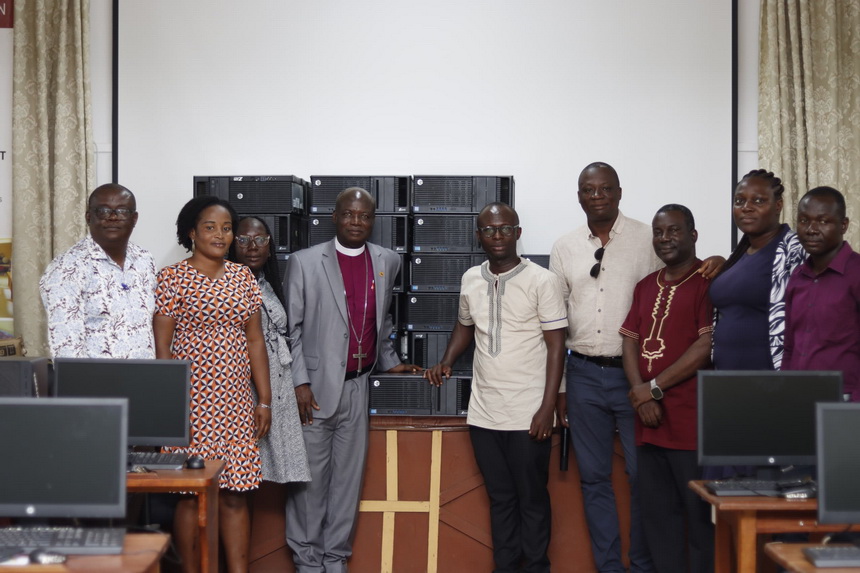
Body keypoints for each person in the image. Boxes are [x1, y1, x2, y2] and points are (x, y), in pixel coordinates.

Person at [284, 187, 421, 573]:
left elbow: (384, 320)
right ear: (335, 217)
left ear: (372, 220)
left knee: (348, 479)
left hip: (359, 385)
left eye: (364, 216)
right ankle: (308, 562)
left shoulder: (387, 260)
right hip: (313, 390)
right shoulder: (305, 262)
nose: (356, 222)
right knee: (310, 483)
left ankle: (335, 558)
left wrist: (390, 362)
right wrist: (299, 381)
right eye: (349, 214)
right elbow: (290, 330)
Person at [425, 202, 567, 573]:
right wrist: (447, 360)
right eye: (489, 230)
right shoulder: (472, 277)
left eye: (505, 228)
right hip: (484, 412)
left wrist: (546, 409)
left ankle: (536, 567)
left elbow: (557, 347)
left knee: (532, 499)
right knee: (500, 498)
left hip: (528, 412)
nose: (498, 235)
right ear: (479, 236)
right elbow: (464, 326)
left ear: (518, 232)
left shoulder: (542, 280)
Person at [549, 162, 659, 573]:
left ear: (618, 192)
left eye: (605, 189)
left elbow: (668, 293)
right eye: (588, 189)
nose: (597, 196)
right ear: (579, 196)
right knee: (594, 479)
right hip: (581, 376)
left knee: (640, 475)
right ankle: (609, 567)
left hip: (634, 377)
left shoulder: (649, 236)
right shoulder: (564, 247)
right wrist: (559, 386)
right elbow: (556, 321)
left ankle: (643, 564)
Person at [153, 196, 272, 573]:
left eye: (225, 228)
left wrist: (264, 399)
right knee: (191, 495)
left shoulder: (242, 277)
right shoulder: (172, 278)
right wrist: (171, 403)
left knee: (236, 494)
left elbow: (255, 340)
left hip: (236, 403)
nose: (220, 235)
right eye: (209, 227)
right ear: (191, 232)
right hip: (190, 402)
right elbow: (162, 346)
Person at [620, 204, 715, 573]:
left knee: (699, 519)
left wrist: (653, 388)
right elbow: (629, 341)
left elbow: (706, 347)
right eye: (659, 233)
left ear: (693, 235)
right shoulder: (646, 285)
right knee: (659, 519)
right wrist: (639, 391)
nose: (665, 239)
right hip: (649, 425)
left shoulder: (708, 282)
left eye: (674, 231)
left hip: (690, 425)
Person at [229, 216, 311, 483]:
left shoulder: (269, 283)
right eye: (244, 240)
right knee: (250, 472)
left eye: (260, 240)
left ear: (269, 246)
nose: (252, 246)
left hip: (280, 386)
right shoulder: (228, 286)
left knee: (278, 475)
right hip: (247, 388)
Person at [40, 183, 156, 358]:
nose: (112, 217)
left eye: (122, 211)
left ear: (134, 219)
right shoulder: (66, 268)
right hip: (97, 382)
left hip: (144, 380)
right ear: (88, 217)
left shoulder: (145, 261)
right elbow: (66, 349)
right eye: (103, 211)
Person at [709, 169, 805, 371]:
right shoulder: (738, 255)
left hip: (773, 381)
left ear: (778, 205)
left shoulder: (796, 249)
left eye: (758, 201)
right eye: (739, 201)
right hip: (725, 381)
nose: (746, 208)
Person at [783, 187, 860, 401]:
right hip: (797, 397)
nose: (811, 229)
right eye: (804, 220)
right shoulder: (797, 277)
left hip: (844, 398)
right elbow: (790, 346)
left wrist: (855, 405)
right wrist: (784, 392)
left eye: (823, 221)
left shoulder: (856, 273)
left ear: (843, 225)